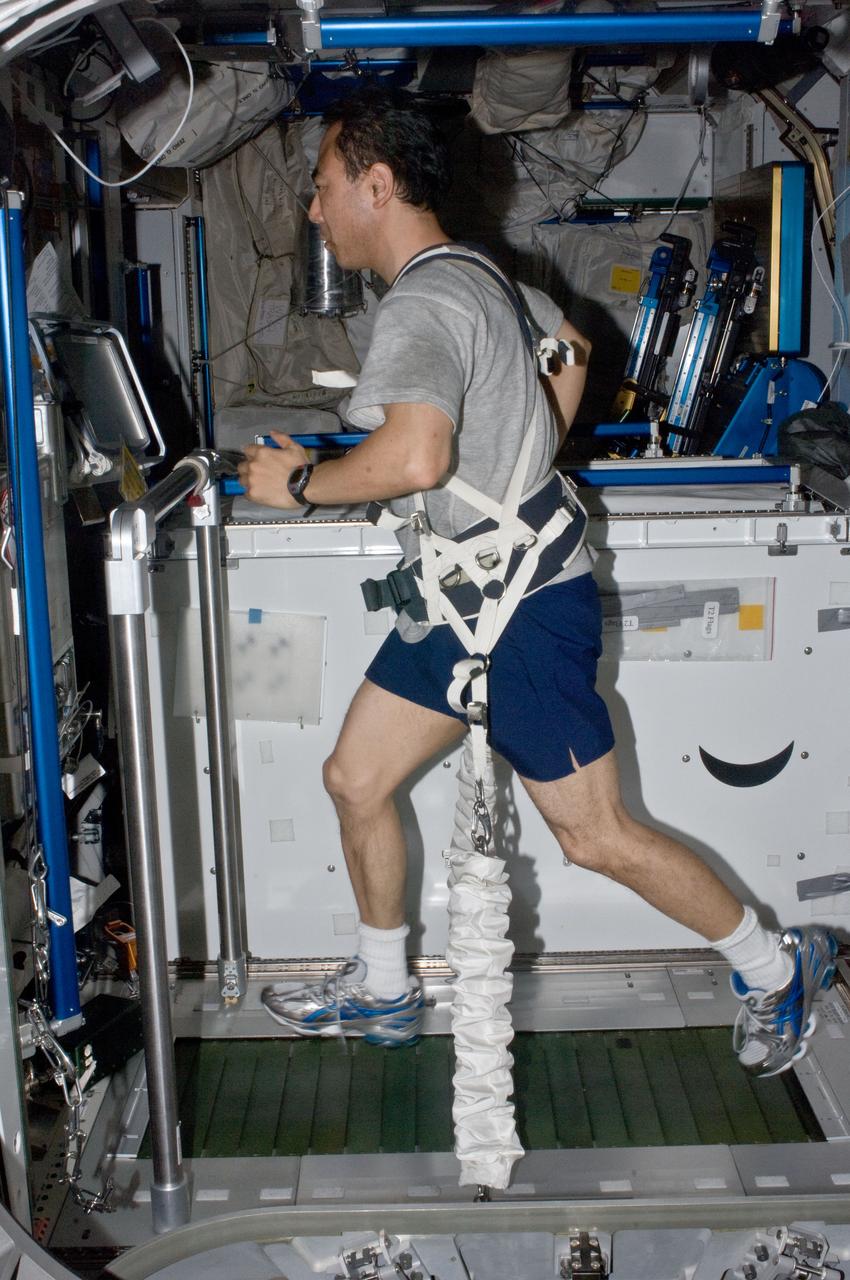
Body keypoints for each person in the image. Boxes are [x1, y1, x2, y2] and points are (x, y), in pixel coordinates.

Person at [237, 87, 837, 1076]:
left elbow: (417, 456)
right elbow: (576, 348)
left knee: (594, 835)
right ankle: (385, 985)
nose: (313, 208)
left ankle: (776, 965)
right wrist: (524, 459)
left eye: (323, 186)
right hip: (458, 600)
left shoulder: (420, 303)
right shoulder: (482, 277)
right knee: (355, 776)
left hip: (518, 611)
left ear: (375, 187)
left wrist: (299, 484)